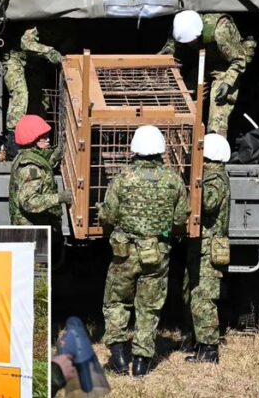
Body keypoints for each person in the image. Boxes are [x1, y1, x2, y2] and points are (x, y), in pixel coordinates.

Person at [99, 125, 190, 377]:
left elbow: (108, 215)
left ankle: (118, 358)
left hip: (125, 253)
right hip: (157, 253)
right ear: (161, 150)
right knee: (149, 307)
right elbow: (180, 218)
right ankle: (141, 362)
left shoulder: (123, 178)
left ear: (135, 149)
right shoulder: (173, 180)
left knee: (117, 301)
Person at [161, 10, 256, 136]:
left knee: (218, 114)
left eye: (192, 41)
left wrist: (228, 82)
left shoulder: (220, 31)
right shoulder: (179, 30)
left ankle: (214, 142)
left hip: (226, 67)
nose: (189, 44)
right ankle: (183, 139)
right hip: (202, 64)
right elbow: (169, 53)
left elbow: (239, 59)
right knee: (184, 102)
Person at [183, 133, 231, 364]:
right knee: (193, 294)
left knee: (204, 299)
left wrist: (194, 186)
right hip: (202, 246)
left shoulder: (215, 178)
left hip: (209, 248)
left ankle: (209, 350)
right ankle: (198, 341)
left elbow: (208, 203)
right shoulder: (213, 175)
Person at [3, 27, 63, 146]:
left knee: (41, 100)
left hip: (33, 63)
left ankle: (37, 136)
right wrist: (50, 52)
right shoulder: (35, 26)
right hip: (14, 58)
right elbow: (26, 43)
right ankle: (14, 137)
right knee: (20, 95)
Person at [8, 114, 71, 226]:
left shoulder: (26, 156)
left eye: (47, 136)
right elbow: (28, 202)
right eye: (43, 137)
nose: (48, 139)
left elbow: (42, 168)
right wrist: (59, 198)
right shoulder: (30, 167)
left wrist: (56, 154)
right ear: (33, 140)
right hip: (34, 230)